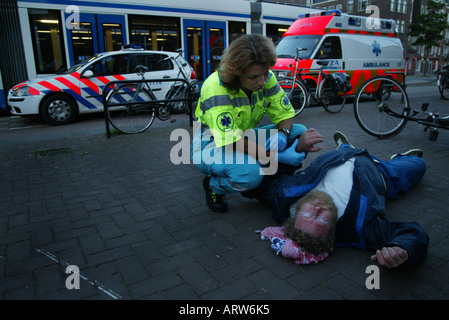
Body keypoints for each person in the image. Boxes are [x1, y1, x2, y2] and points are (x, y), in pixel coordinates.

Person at [257, 131, 429, 270]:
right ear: (332, 232)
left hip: (339, 157)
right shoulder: (361, 228)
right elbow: (412, 233)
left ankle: (345, 146)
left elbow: (272, 173)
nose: (316, 209)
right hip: (383, 173)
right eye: (321, 219)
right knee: (419, 164)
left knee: (344, 150)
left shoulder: (283, 198)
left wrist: (299, 148)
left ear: (294, 218)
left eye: (307, 213)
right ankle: (399, 158)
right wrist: (401, 249)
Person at [191, 34, 323, 213]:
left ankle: (269, 181)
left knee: (299, 132)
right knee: (249, 174)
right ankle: (215, 186)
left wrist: (283, 135)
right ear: (236, 73)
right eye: (254, 77)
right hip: (210, 144)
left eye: (265, 72)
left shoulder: (266, 78)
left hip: (242, 136)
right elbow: (230, 141)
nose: (262, 81)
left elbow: (285, 114)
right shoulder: (215, 87)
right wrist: (275, 156)